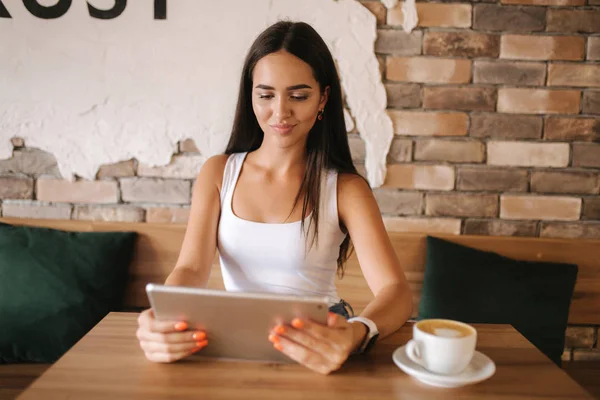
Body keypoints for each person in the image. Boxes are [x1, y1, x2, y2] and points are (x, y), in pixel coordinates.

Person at [136, 20, 413, 375]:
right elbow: (190, 268)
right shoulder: (218, 173)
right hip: (236, 338)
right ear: (250, 95)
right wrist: (164, 317)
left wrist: (358, 333)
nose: (280, 112)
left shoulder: (345, 189)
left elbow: (395, 291)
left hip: (321, 341)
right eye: (266, 95)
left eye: (298, 96)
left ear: (323, 98)